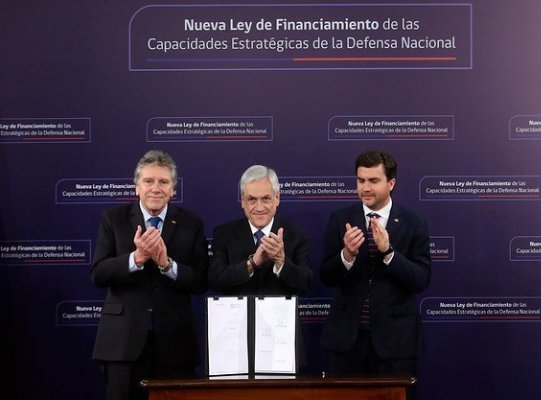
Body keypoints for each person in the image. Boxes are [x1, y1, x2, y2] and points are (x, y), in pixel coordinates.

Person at [91, 150, 209, 400]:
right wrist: (137, 258)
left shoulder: (191, 223)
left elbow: (200, 281)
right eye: (149, 181)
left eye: (164, 182)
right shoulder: (114, 219)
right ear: (137, 187)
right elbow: (98, 274)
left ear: (173, 189)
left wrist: (167, 265)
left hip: (175, 344)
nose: (156, 188)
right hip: (123, 344)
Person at [320, 150, 431, 378]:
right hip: (347, 341)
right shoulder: (340, 219)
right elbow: (326, 277)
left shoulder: (414, 223)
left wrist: (389, 252)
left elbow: (420, 280)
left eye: (373, 181)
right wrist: (347, 255)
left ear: (391, 183)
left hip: (396, 344)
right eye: (360, 181)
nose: (365, 188)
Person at [208, 165, 312, 370]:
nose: (259, 206)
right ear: (242, 203)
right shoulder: (224, 234)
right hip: (234, 338)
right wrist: (251, 264)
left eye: (266, 198)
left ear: (277, 199)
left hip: (281, 339)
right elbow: (214, 279)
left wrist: (281, 262)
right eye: (252, 200)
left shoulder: (296, 235)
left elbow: (306, 283)